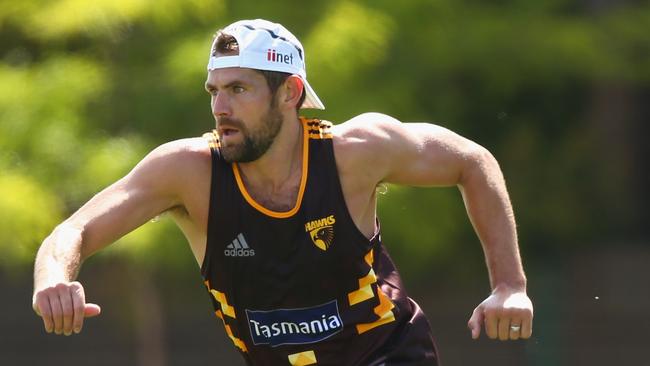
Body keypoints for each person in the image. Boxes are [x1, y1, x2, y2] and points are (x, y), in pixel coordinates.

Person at [32, 19, 533, 366]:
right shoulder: (186, 172)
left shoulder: (355, 152)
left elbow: (472, 160)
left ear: (291, 93)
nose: (220, 108)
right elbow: (72, 230)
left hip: (388, 353)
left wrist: (509, 285)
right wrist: (54, 278)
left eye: (240, 90)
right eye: (215, 91)